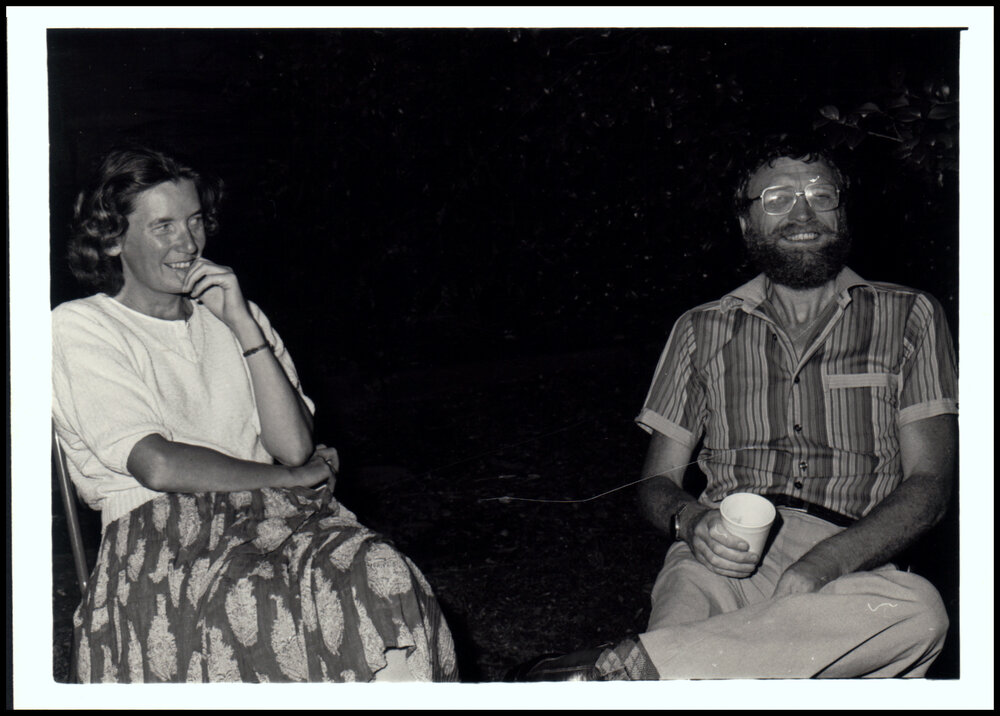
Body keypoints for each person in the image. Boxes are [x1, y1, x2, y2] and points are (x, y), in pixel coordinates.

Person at [512, 135, 957, 680]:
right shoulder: (699, 329)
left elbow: (930, 486)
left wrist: (825, 563)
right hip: (718, 554)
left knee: (919, 612)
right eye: (776, 199)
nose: (802, 212)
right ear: (747, 224)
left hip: (852, 561)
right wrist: (692, 522)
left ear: (843, 211)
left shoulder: (910, 314)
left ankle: (614, 674)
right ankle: (648, 669)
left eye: (821, 194)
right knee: (691, 622)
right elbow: (656, 485)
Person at [52, 145, 459, 683]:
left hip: (279, 522)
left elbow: (293, 444)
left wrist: (242, 325)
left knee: (382, 573)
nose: (189, 243)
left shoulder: (238, 314)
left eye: (195, 221)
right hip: (159, 540)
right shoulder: (80, 326)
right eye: (164, 226)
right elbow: (158, 466)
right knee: (258, 605)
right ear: (111, 239)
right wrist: (288, 479)